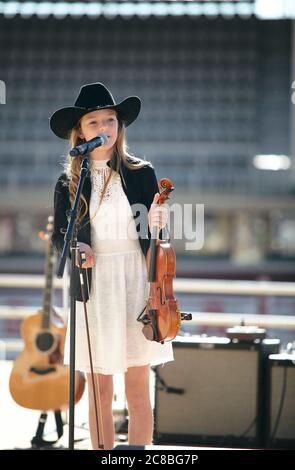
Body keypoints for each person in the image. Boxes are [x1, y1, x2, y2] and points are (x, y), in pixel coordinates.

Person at [50, 82, 174, 450]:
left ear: (119, 127)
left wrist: (158, 221)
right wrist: (77, 245)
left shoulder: (141, 172)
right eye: (94, 122)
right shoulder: (69, 182)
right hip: (93, 285)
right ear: (80, 132)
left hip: (136, 281)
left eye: (110, 120)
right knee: (99, 388)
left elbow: (155, 235)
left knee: (137, 387)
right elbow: (61, 234)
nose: (103, 128)